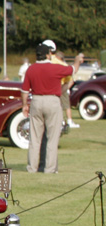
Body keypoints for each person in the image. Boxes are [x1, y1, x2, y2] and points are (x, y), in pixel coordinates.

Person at [21, 42, 73, 173]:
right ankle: (49, 168)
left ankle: (32, 167)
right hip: (52, 100)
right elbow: (72, 70)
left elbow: (25, 90)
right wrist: (78, 60)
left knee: (34, 138)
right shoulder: (55, 68)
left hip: (37, 100)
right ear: (48, 55)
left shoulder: (31, 69)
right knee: (52, 137)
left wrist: (24, 105)